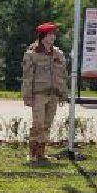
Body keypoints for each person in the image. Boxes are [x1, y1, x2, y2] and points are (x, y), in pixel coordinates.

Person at [20, 23, 69, 163]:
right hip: (38, 94)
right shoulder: (32, 54)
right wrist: (27, 95)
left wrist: (63, 93)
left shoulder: (58, 53)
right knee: (38, 124)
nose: (53, 37)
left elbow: (62, 76)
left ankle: (41, 152)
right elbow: (27, 77)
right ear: (43, 36)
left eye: (54, 34)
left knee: (47, 124)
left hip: (53, 94)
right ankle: (33, 153)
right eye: (50, 34)